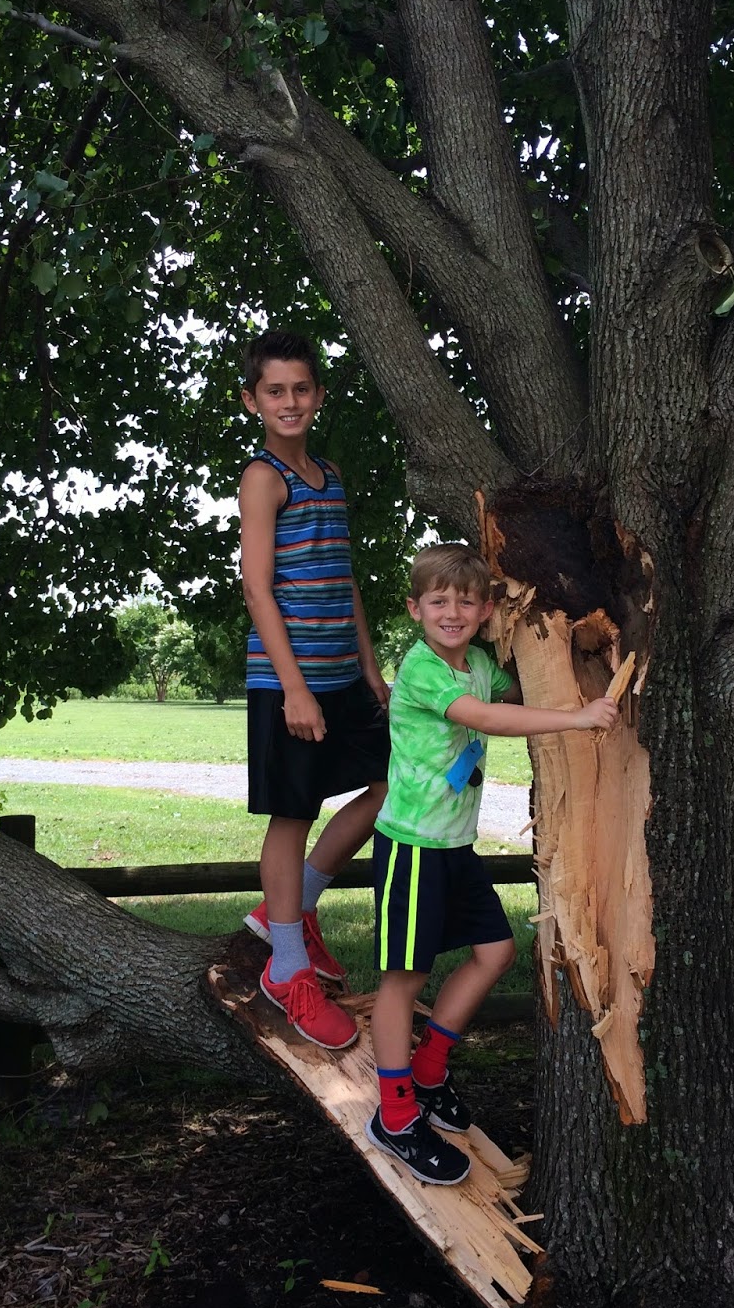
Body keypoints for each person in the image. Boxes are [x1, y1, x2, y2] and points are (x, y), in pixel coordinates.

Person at [365, 543, 619, 1184]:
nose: (452, 612)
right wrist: (576, 717)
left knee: (496, 952)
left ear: (485, 611)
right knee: (403, 979)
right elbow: (487, 717)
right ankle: (395, 1115)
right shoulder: (422, 669)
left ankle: (428, 1072)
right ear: (415, 609)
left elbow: (520, 683)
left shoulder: (479, 663)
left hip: (455, 847)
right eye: (439, 601)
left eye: (467, 601)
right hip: (413, 847)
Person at [238, 330, 390, 1051]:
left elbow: (345, 580)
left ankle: (290, 909)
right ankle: (287, 969)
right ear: (253, 401)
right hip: (287, 680)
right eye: (275, 391)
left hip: (343, 677)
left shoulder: (329, 474)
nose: (290, 401)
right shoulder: (263, 477)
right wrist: (295, 689)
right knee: (292, 813)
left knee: (392, 784)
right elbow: (257, 588)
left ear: (319, 395)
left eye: (301, 388)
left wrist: (370, 669)